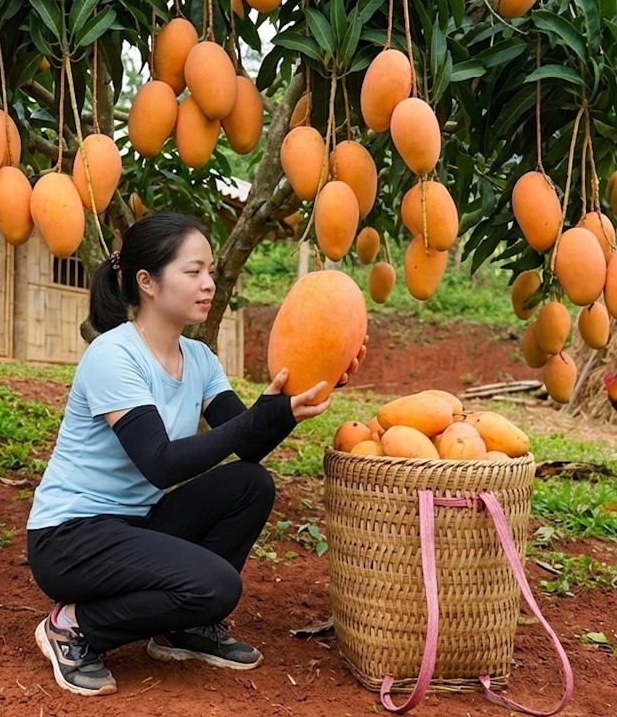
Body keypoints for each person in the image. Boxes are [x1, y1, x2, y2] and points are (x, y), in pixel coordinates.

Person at [26, 213, 365, 696]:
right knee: (217, 587)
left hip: (133, 525)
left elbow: (246, 444)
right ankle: (75, 628)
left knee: (250, 484)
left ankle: (182, 627)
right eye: (193, 272)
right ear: (147, 282)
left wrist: (296, 402)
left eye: (210, 271)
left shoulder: (200, 359)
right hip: (70, 539)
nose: (208, 284)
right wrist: (264, 413)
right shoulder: (112, 355)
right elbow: (159, 462)